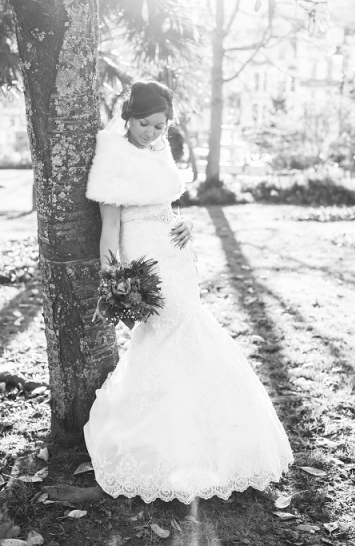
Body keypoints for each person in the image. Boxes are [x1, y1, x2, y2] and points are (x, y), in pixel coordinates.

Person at [83, 80, 293, 504]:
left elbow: (169, 206)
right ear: (129, 116)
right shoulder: (111, 156)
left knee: (190, 328)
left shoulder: (161, 151)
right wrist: (114, 278)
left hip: (175, 252)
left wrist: (188, 224)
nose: (153, 133)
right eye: (145, 124)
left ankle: (211, 435)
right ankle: (158, 439)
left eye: (160, 126)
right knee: (163, 335)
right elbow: (109, 228)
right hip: (141, 254)